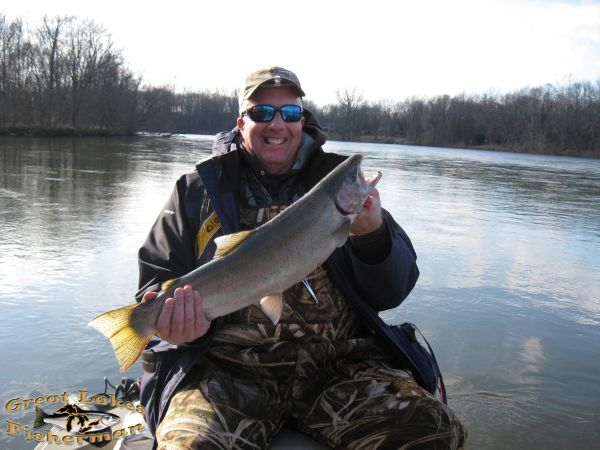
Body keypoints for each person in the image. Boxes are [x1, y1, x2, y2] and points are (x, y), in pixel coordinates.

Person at [136, 66, 466, 449]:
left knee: (436, 431)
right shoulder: (197, 190)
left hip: (338, 370)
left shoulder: (335, 182)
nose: (277, 124)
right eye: (262, 112)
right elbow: (153, 282)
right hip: (225, 370)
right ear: (241, 123)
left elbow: (393, 290)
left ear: (302, 121)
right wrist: (180, 329)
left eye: (290, 112)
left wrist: (373, 235)